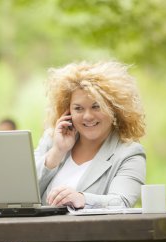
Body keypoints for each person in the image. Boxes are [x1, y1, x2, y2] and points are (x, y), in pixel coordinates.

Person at [34, 60, 146, 209]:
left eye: (96, 107)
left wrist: (82, 199)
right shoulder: (52, 140)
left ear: (114, 110)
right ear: (68, 112)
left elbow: (122, 202)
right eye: (78, 108)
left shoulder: (129, 153)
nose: (87, 116)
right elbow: (21, 194)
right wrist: (57, 152)